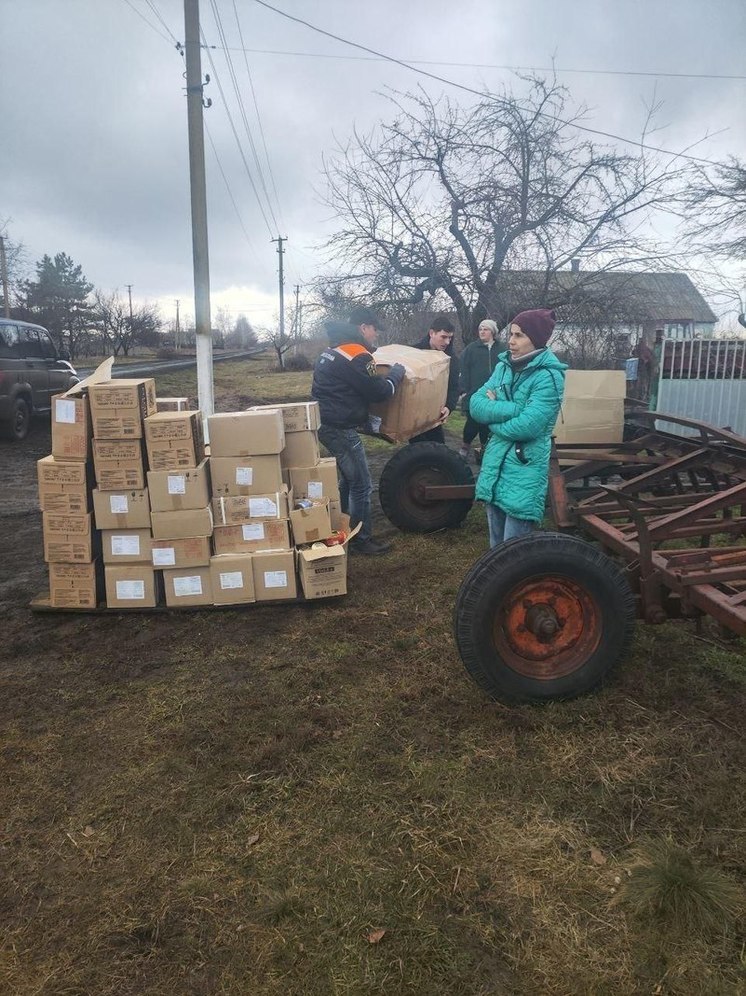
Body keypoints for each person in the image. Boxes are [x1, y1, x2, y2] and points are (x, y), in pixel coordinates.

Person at [312, 306, 406, 556]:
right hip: (340, 428)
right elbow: (380, 391)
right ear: (363, 328)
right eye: (374, 330)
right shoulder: (357, 354)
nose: (375, 335)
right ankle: (361, 540)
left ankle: (340, 530)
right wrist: (396, 374)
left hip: (326, 424)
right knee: (362, 485)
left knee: (348, 481)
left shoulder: (334, 349)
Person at [469, 309, 566, 547]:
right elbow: (475, 405)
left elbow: (528, 426)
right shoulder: (504, 367)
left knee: (515, 553)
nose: (511, 341)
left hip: (524, 469)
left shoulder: (548, 377)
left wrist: (493, 415)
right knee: (495, 548)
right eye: (511, 334)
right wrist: (513, 408)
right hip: (496, 466)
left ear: (537, 339)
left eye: (519, 335)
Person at [409, 314, 460, 444]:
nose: (447, 342)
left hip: (435, 415)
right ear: (432, 333)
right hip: (413, 413)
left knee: (439, 451)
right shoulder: (414, 352)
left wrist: (449, 406)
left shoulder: (452, 359)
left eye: (450, 338)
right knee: (417, 452)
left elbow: (454, 387)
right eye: (443, 337)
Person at [458, 319, 499, 462]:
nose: (482, 331)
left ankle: (484, 450)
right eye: (480, 329)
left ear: (493, 332)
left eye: (485, 329)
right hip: (474, 393)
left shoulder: (502, 349)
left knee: (487, 424)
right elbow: (463, 369)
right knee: (473, 421)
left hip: (494, 394)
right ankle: (464, 447)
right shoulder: (471, 349)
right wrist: (463, 390)